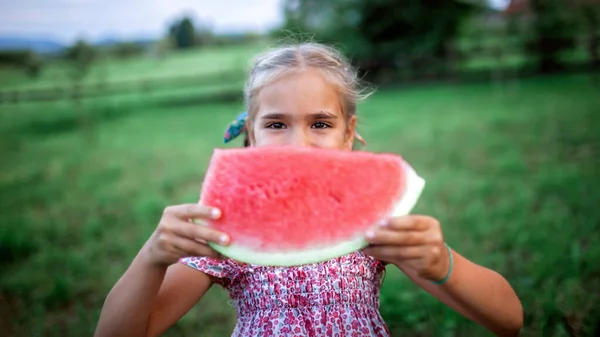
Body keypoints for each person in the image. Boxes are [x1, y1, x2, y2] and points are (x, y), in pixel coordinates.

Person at [94, 42, 523, 337]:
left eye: (320, 123)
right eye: (277, 124)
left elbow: (509, 320)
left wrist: (440, 263)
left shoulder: (376, 227)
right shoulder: (224, 233)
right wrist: (152, 257)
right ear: (251, 137)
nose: (298, 143)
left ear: (349, 133)